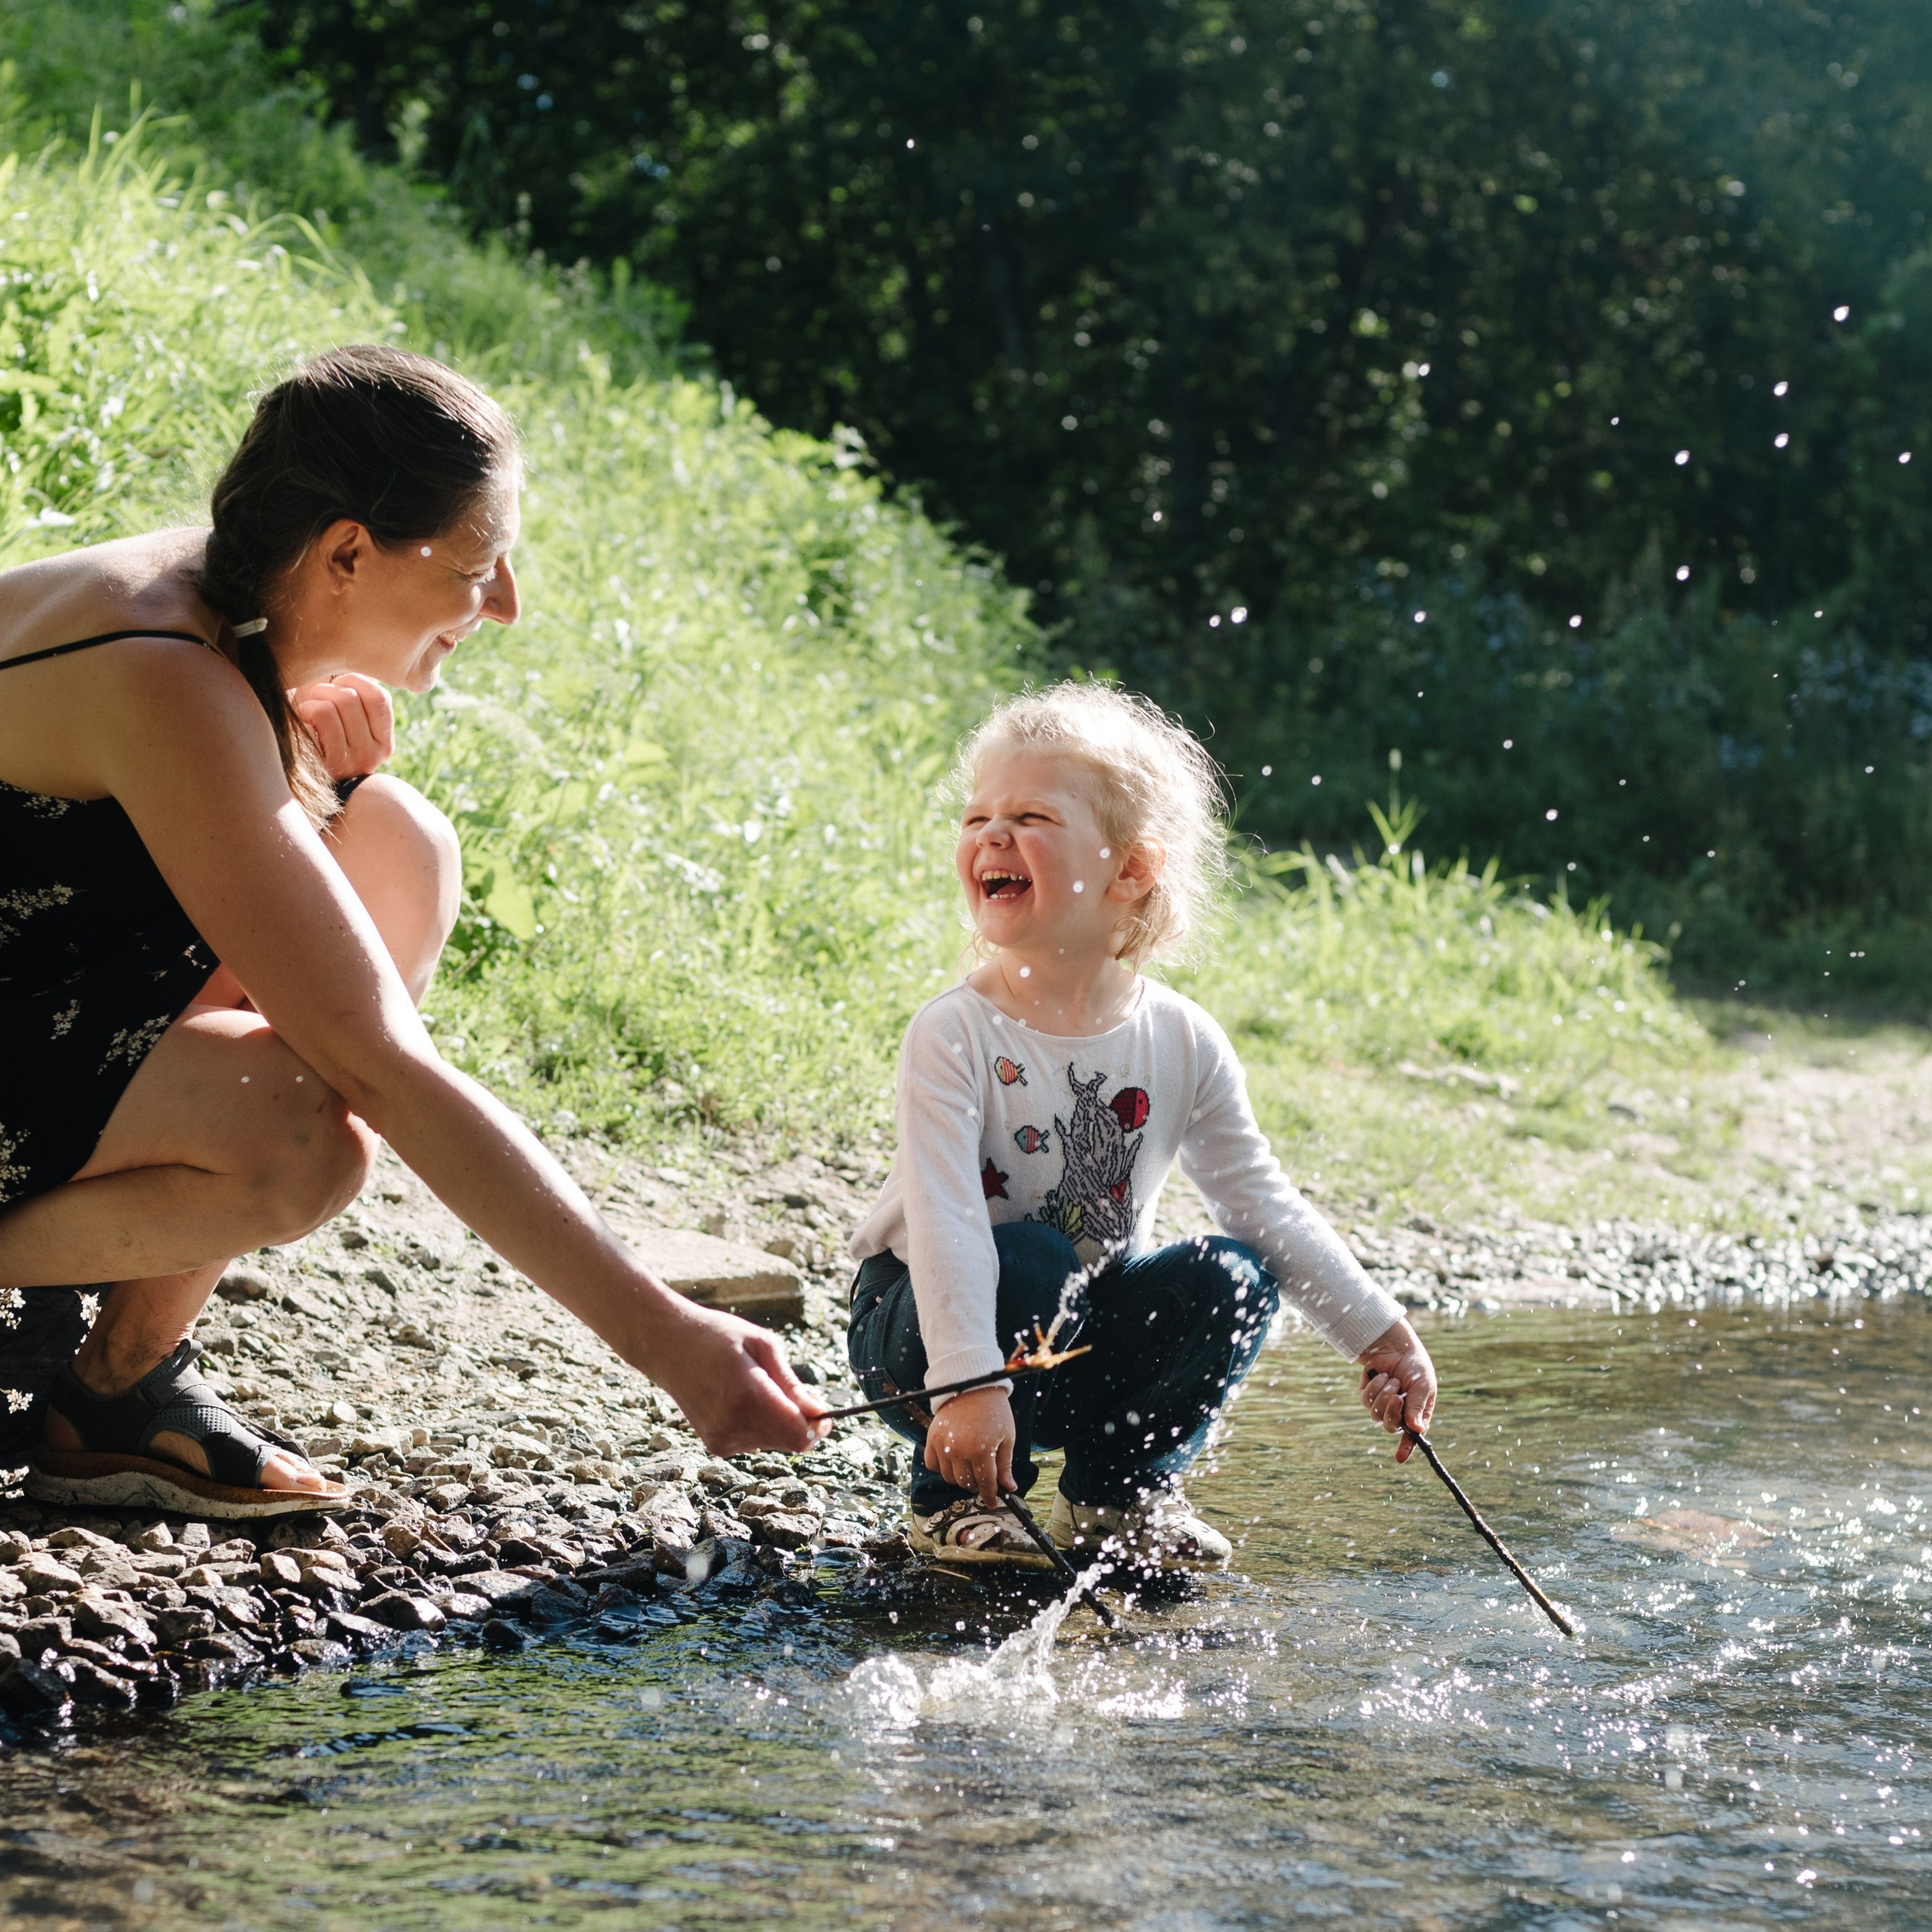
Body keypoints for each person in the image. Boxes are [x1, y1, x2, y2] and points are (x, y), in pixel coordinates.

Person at [0, 343, 823, 1519]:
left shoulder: (224, 604)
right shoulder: (164, 674)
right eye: (479, 568)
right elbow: (379, 1065)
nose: (508, 603)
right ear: (347, 552)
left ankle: (119, 1385)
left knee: (394, 842)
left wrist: (288, 749)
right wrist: (665, 1337)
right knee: (301, 1134)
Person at [846, 682, 1438, 1571]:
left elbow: (1262, 1205)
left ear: (1129, 870)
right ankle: (953, 1500)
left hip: (1071, 1338)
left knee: (1234, 1274)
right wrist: (966, 1385)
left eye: (1030, 817)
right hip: (924, 1342)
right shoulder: (953, 1033)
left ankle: (1117, 1494)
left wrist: (1382, 1336)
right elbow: (946, 1220)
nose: (991, 836)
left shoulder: (1180, 1039)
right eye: (977, 818)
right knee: (1033, 1253)